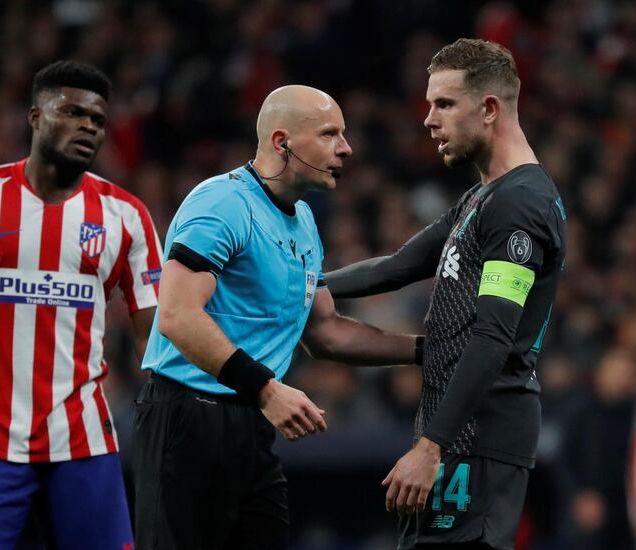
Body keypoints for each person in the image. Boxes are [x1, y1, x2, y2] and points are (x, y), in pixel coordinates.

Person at [132, 85, 422, 550]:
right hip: (187, 420)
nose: (346, 148)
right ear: (282, 141)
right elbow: (176, 315)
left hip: (251, 425)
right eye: (329, 134)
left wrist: (427, 349)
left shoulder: (304, 219)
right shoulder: (222, 203)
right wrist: (266, 389)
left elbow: (327, 333)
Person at [0, 60, 162, 549]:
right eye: (73, 112)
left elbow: (157, 337)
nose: (88, 126)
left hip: (85, 444)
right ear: (36, 117)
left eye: (98, 120)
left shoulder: (128, 216)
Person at [325, 38, 567, 549]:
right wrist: (301, 287)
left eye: (444, 104)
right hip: (458, 435)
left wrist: (431, 447)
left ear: (489, 109)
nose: (429, 119)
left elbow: (493, 337)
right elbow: (395, 267)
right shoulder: (483, 197)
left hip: (479, 438)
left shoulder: (521, 205)